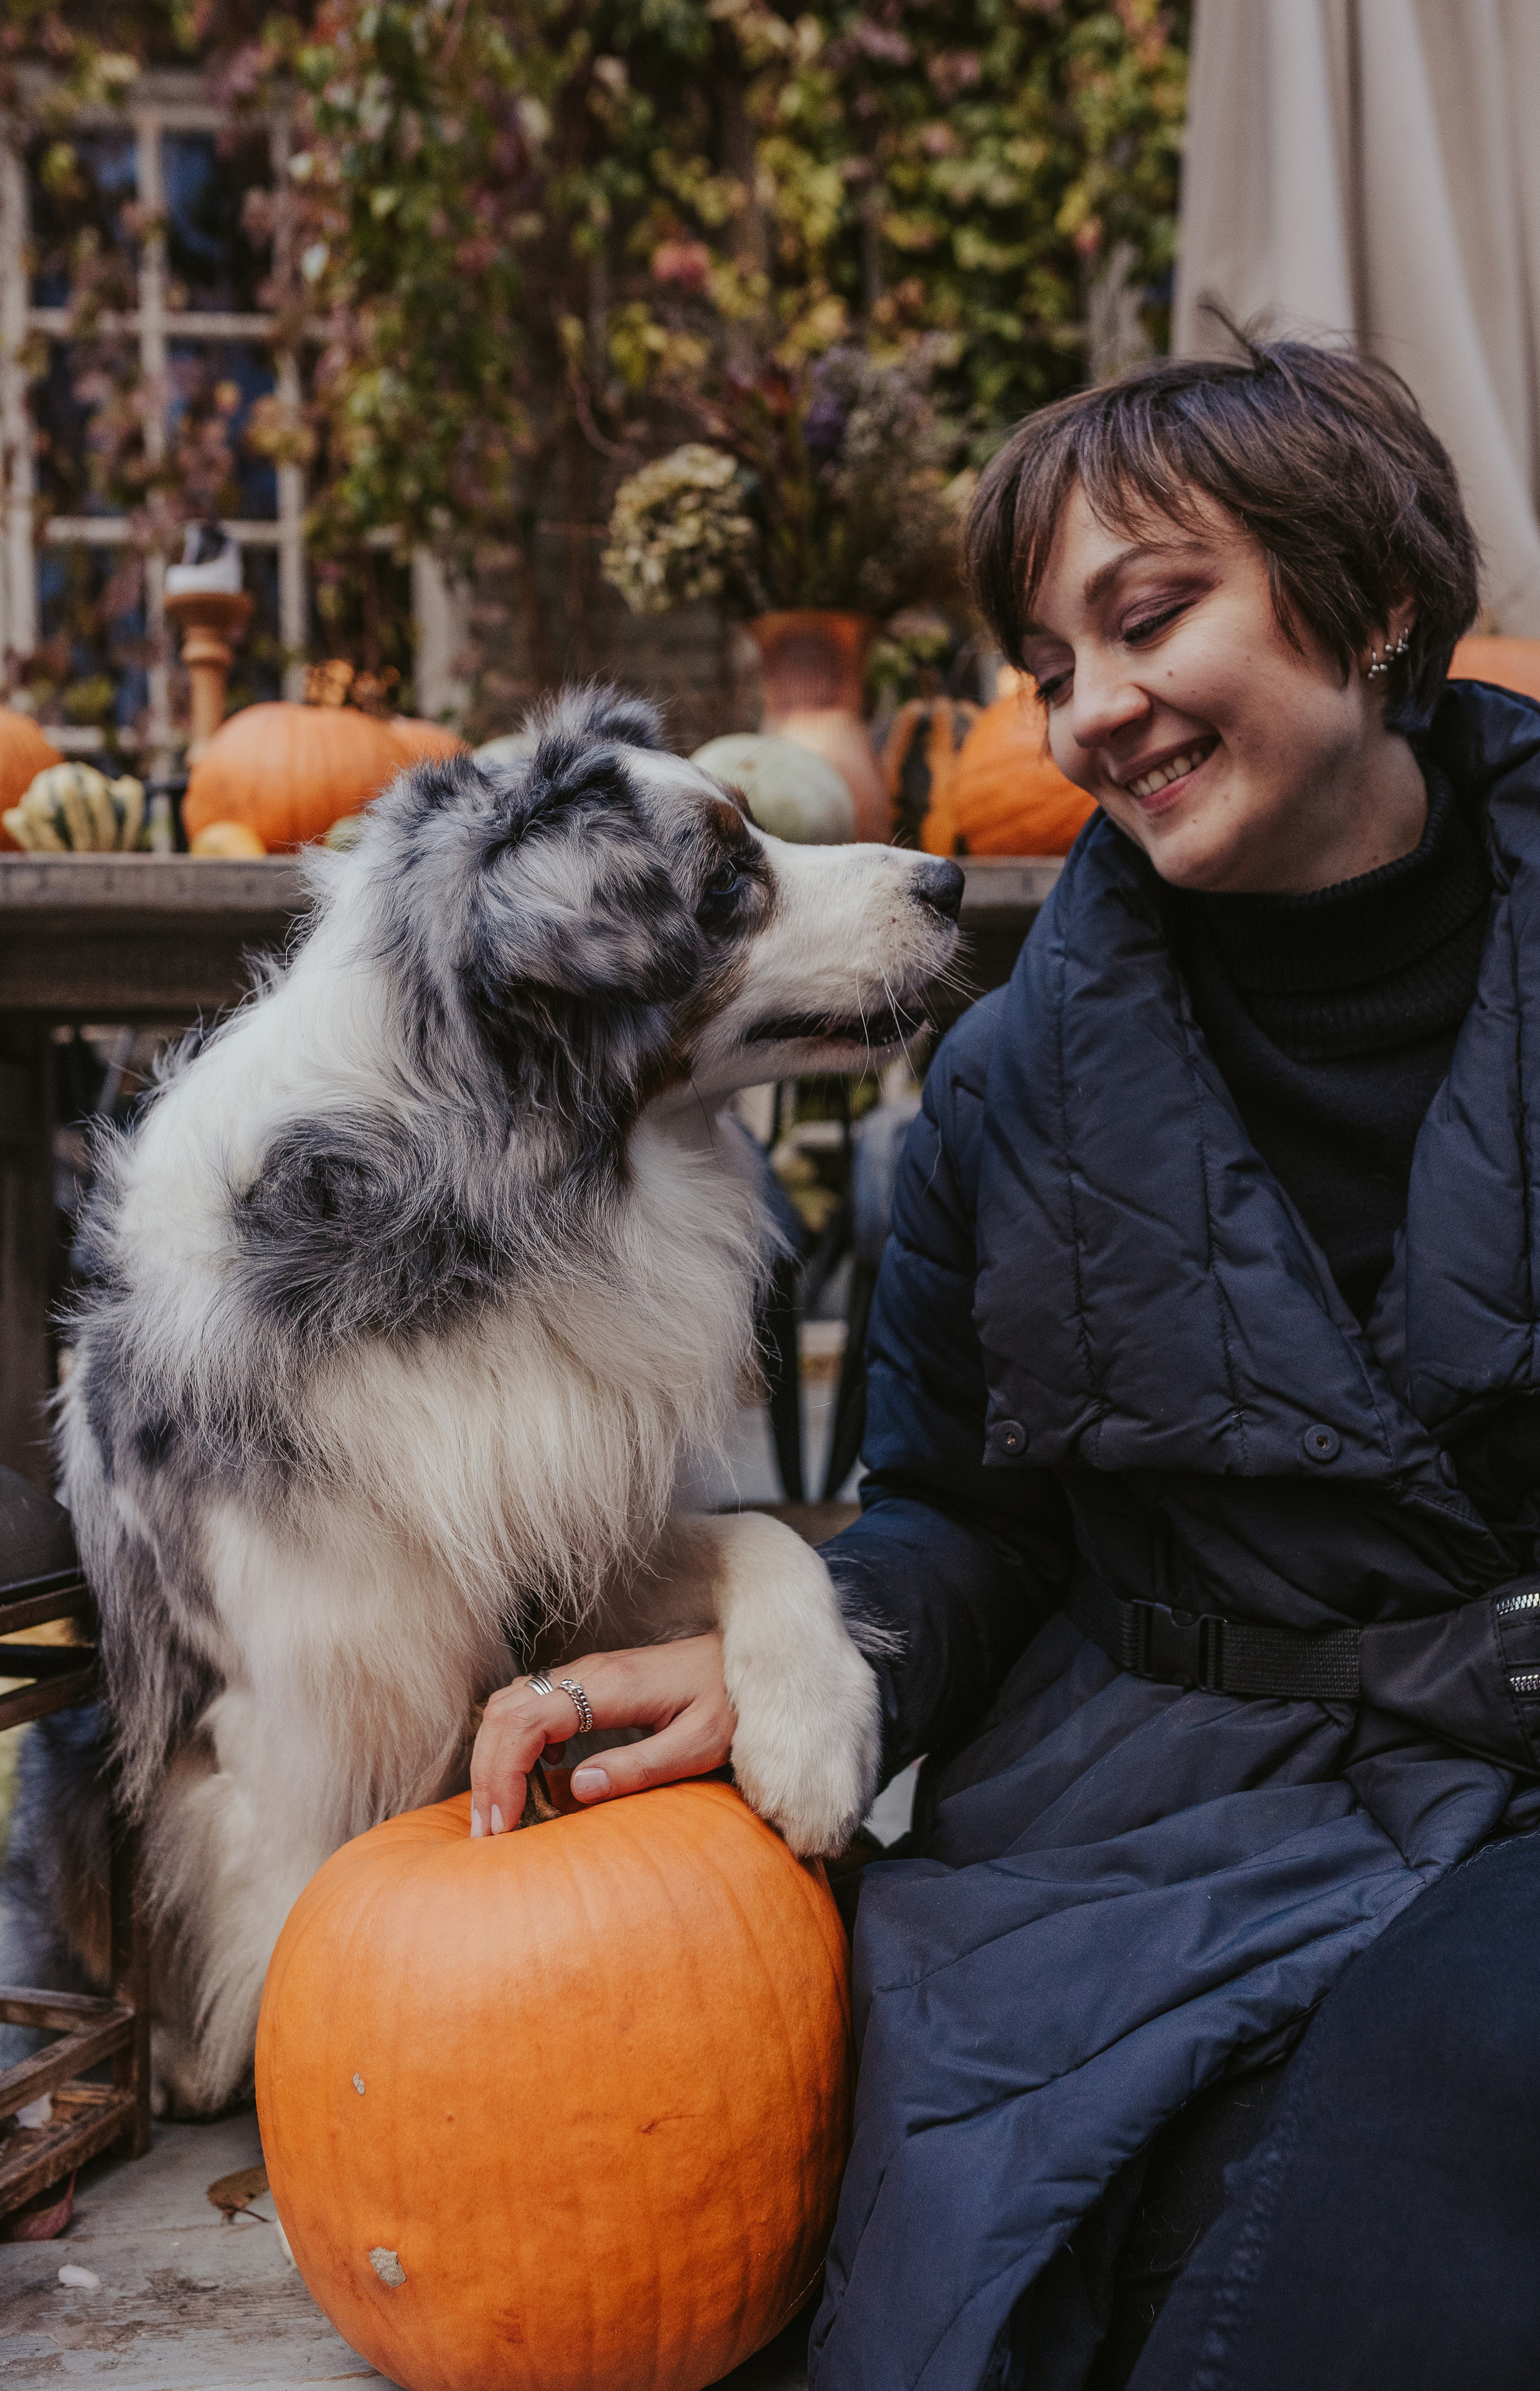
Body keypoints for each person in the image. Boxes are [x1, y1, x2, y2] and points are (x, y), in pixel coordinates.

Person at [468, 332, 1540, 2389]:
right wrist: (816, 1655)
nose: (1090, 712)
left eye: (1150, 618)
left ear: (1380, 601)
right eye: (1051, 666)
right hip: (1167, 1812)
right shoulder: (1005, 1089)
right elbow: (967, 1514)